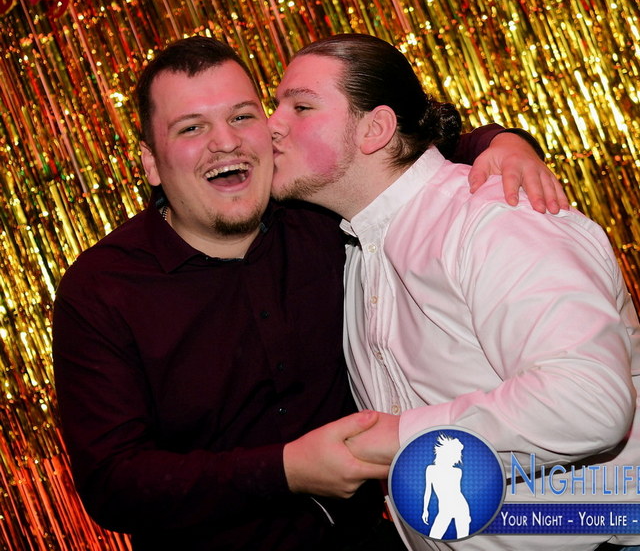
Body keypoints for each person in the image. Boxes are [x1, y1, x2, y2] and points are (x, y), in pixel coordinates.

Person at [52, 35, 564, 551]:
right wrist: (285, 470)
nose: (225, 142)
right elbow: (113, 481)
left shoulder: (319, 209)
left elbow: (410, 150)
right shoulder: (103, 290)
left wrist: (505, 144)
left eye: (242, 116)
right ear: (150, 162)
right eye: (191, 127)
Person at [267, 33, 640, 551]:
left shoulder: (494, 220)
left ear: (375, 129)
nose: (271, 125)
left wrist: (400, 438)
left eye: (301, 106)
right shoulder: (357, 250)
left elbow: (588, 401)